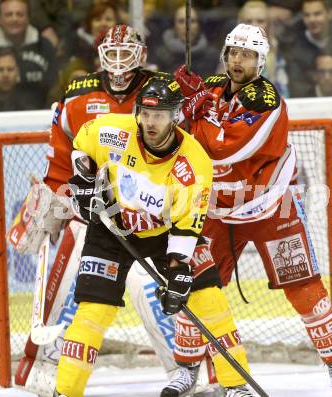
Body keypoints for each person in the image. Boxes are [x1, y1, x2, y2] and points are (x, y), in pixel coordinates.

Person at [173, 23, 332, 397]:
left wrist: (200, 113)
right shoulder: (210, 86)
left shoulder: (266, 99)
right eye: (234, 53)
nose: (239, 60)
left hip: (270, 204)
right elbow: (172, 126)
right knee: (193, 286)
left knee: (303, 286)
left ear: (261, 61)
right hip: (218, 209)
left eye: (248, 55)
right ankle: (187, 369)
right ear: (225, 55)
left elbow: (224, 148)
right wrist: (180, 100)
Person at [8, 24, 183, 394]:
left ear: (141, 56)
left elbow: (183, 151)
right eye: (112, 54)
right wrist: (55, 197)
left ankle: (188, 374)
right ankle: (35, 369)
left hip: (148, 220)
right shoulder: (77, 95)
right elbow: (60, 162)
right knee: (74, 295)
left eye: (126, 54)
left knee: (155, 294)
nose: (119, 63)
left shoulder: (161, 92)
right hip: (93, 220)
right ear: (100, 55)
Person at [53, 77, 252, 397]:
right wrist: (85, 176)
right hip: (111, 228)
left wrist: (178, 270)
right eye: (145, 114)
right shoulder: (112, 131)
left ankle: (236, 386)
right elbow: (81, 143)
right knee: (92, 312)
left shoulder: (194, 162)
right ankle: (65, 392)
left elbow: (187, 226)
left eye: (158, 115)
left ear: (175, 116)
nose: (150, 122)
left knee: (209, 300)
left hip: (166, 233)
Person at [0, 0, 56, 107]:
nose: (15, 19)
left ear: (28, 18)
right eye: (9, 15)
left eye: (20, 14)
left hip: (40, 114)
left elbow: (54, 85)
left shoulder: (44, 45)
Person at [152, 4, 219, 76]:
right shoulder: (160, 55)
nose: (187, 26)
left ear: (199, 25)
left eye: (192, 21)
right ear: (173, 25)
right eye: (181, 21)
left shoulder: (212, 56)